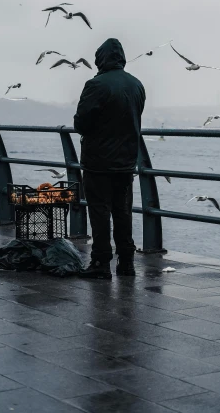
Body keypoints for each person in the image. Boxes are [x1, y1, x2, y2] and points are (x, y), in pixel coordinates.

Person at [74, 38, 145, 279]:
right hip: (126, 161)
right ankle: (127, 263)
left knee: (100, 212)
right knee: (123, 211)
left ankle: (101, 263)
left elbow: (81, 123)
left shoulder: (96, 85)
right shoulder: (137, 85)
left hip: (98, 162)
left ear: (100, 59)